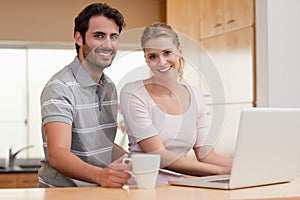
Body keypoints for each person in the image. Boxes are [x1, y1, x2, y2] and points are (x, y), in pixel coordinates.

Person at [120, 23, 232, 184]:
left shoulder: (195, 95)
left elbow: (206, 155)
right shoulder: (133, 93)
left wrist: (245, 166)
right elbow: (158, 154)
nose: (162, 62)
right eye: (153, 56)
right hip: (141, 189)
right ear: (146, 59)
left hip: (178, 188)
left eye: (167, 53)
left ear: (179, 50)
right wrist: (221, 172)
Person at [38, 3, 131, 188]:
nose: (108, 44)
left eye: (114, 37)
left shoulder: (109, 87)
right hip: (62, 194)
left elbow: (100, 147)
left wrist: (135, 161)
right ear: (79, 38)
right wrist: (101, 176)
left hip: (96, 192)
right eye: (99, 36)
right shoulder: (60, 87)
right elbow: (58, 154)